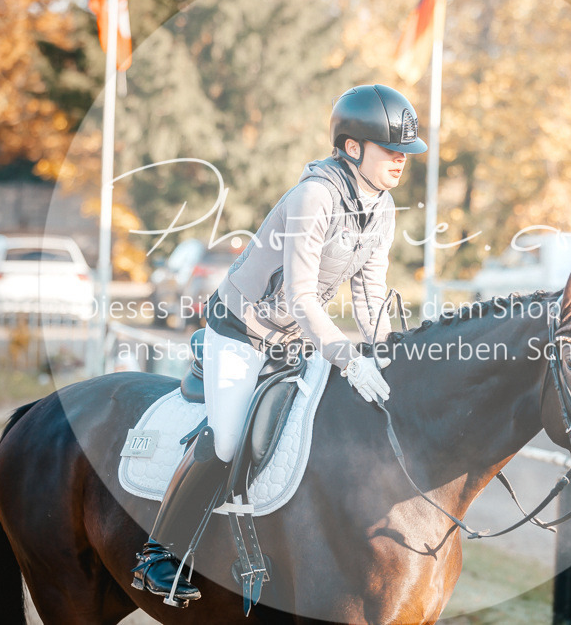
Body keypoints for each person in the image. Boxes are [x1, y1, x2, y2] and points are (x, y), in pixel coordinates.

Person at [131, 84, 428, 603]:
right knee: (227, 439)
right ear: (353, 147)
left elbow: (370, 297)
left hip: (295, 340)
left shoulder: (382, 209)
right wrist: (347, 358)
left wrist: (386, 355)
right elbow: (302, 295)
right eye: (391, 149)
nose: (401, 160)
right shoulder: (314, 197)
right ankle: (159, 553)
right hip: (241, 331)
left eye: (406, 151)